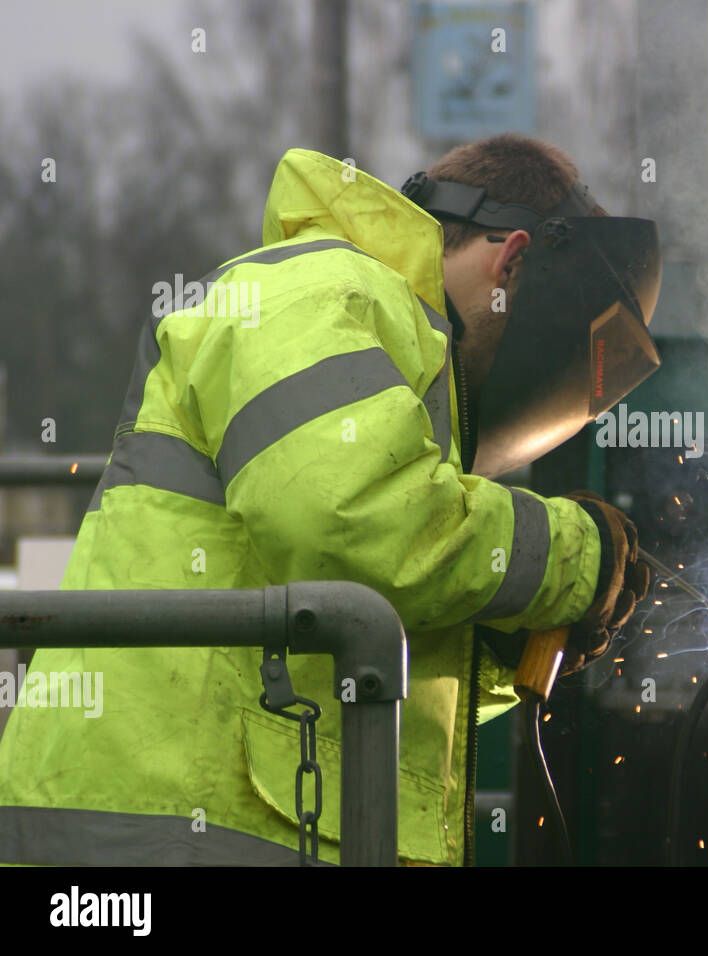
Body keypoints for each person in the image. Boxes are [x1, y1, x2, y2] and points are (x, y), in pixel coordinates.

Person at [0, 134, 661, 866]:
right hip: (159, 831)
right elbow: (349, 525)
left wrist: (497, 649)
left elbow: (359, 642)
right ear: (511, 260)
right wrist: (574, 555)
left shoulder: (394, 359)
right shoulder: (321, 292)